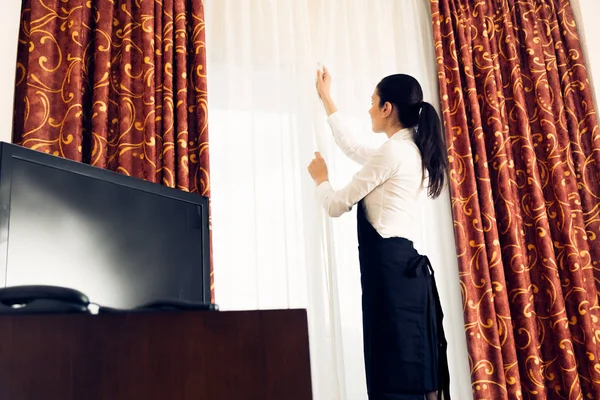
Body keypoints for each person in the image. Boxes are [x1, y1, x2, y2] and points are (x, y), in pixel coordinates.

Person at [307, 67, 451, 400]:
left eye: (373, 102)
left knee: (395, 378)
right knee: (408, 375)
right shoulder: (408, 150)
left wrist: (321, 180)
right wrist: (327, 98)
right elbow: (354, 148)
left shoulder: (394, 153)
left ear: (387, 108)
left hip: (392, 280)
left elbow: (336, 204)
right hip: (403, 277)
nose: (369, 108)